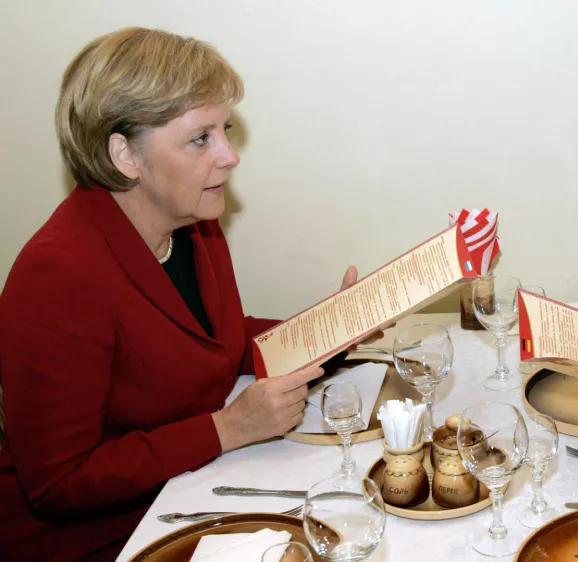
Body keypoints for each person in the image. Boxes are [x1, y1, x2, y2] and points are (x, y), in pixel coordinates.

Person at [0, 28, 371, 561]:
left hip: (189, 493)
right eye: (201, 138)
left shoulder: (192, 223)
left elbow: (213, 344)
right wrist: (229, 428)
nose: (229, 156)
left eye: (226, 131)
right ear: (124, 154)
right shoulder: (58, 275)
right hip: (105, 540)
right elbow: (59, 483)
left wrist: (330, 329)